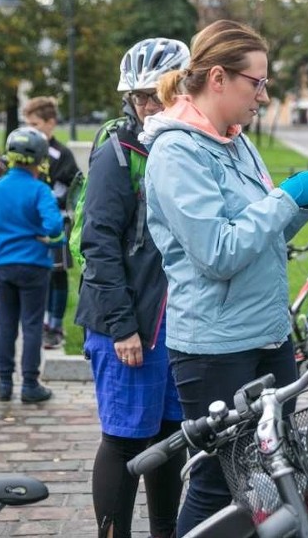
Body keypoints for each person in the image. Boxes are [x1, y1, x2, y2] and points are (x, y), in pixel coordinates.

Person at [140, 19, 308, 534]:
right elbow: (219, 252)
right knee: (217, 482)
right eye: (258, 83)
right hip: (215, 347)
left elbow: (261, 235)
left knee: (276, 473)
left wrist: (300, 204)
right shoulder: (175, 151)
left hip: (266, 333)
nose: (264, 96)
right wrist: (285, 197)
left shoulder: (235, 140)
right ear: (220, 79)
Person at [74, 38, 191, 538]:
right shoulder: (117, 154)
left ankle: (165, 531)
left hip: (174, 324)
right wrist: (123, 327)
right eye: (141, 96)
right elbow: (98, 246)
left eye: (160, 93)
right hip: (126, 323)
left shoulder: (185, 147)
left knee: (169, 437)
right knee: (124, 440)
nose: (150, 106)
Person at [0, 127, 63, 403]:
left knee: (5, 324)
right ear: (39, 160)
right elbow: (53, 226)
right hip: (34, 266)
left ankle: (4, 384)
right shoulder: (40, 189)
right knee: (31, 325)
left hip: (3, 266)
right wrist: (47, 239)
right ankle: (29, 385)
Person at [21, 96, 80, 350]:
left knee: (57, 275)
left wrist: (54, 202)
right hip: (33, 226)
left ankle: (55, 326)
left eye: (35, 124)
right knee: (40, 275)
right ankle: (42, 322)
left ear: (50, 123)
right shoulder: (26, 153)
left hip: (57, 223)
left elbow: (74, 187)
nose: (30, 129)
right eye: (27, 124)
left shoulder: (61, 154)